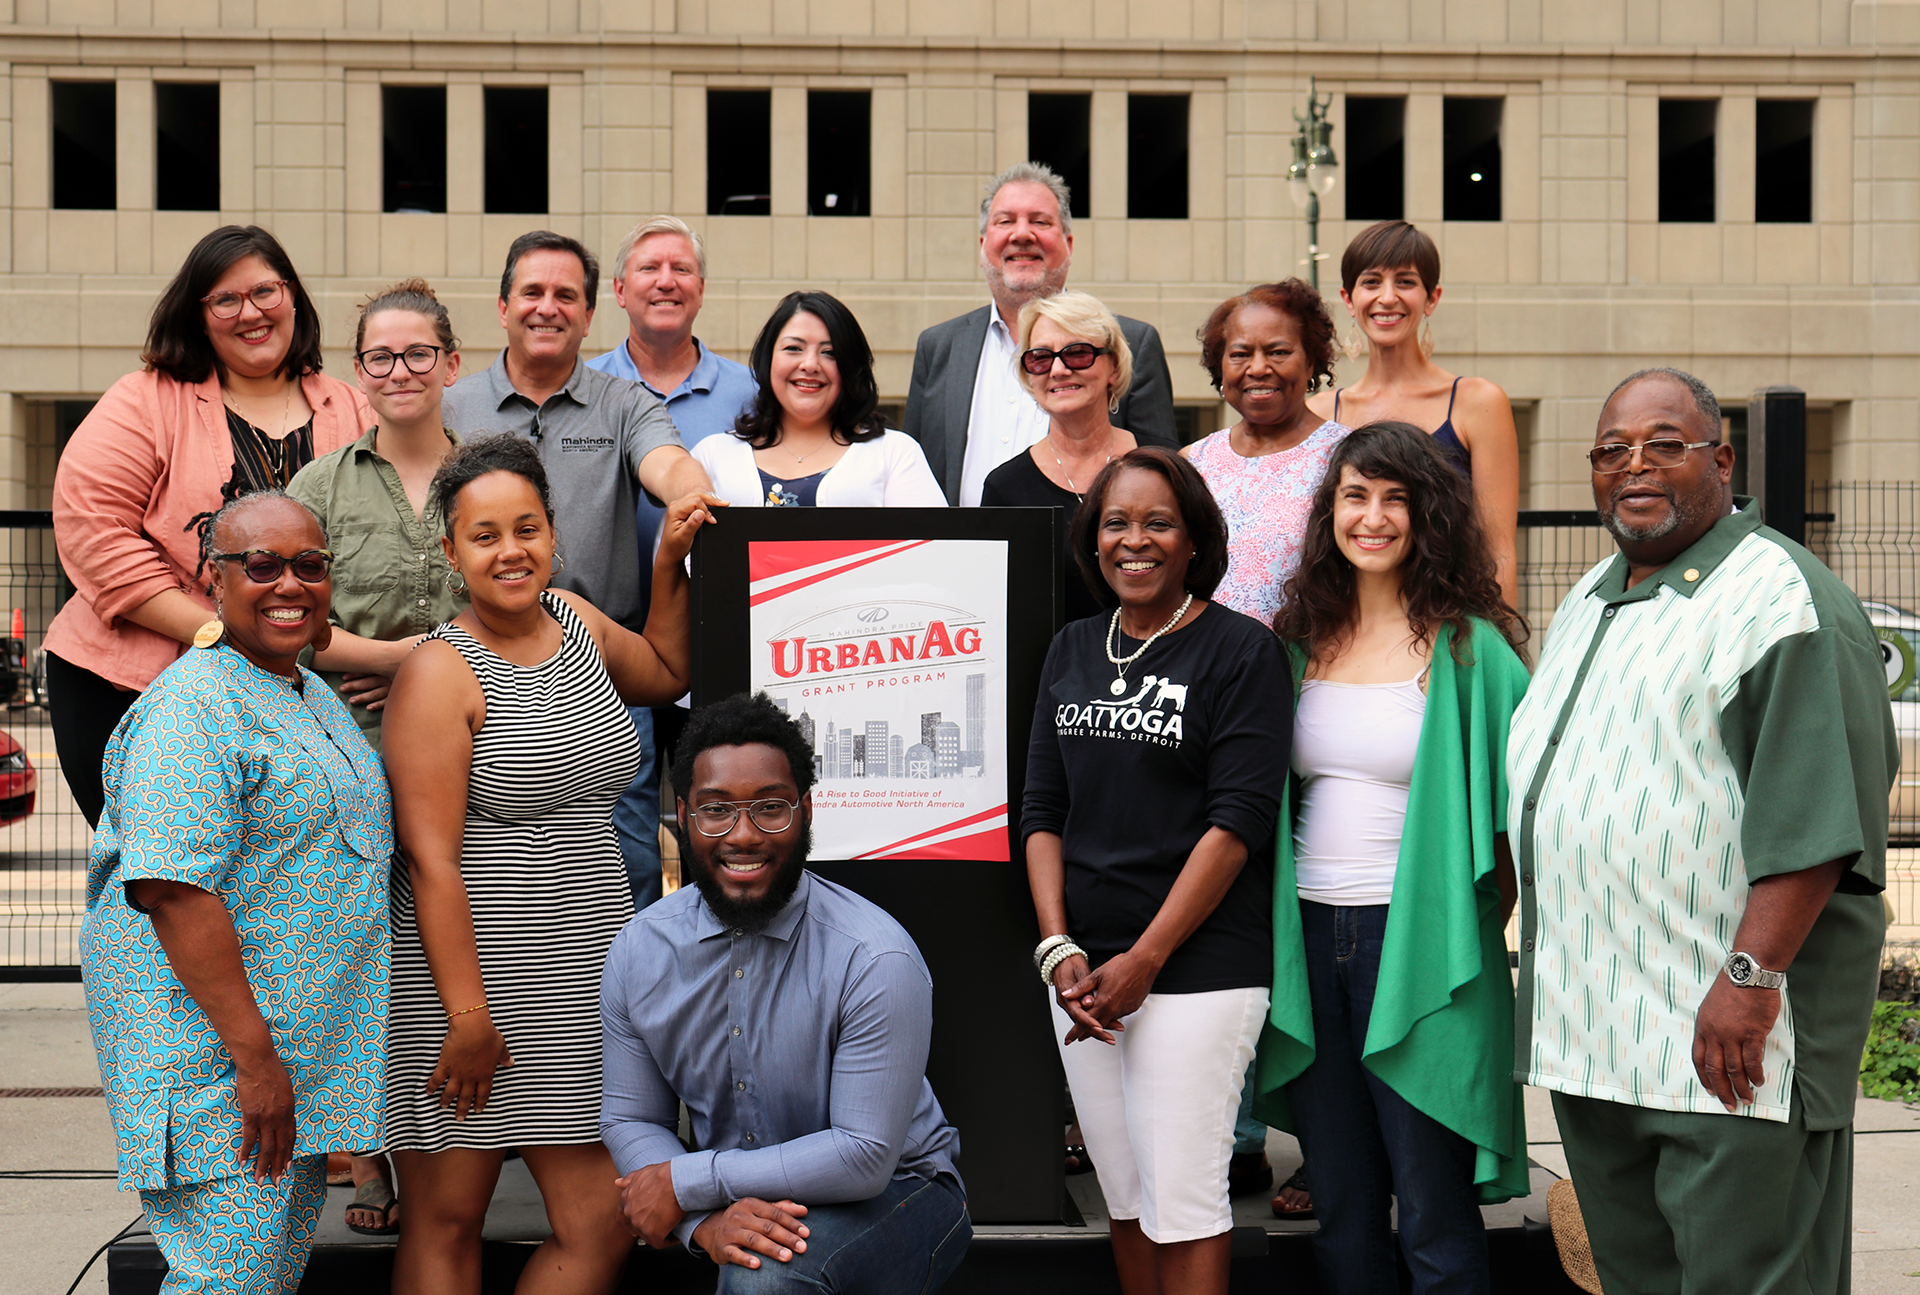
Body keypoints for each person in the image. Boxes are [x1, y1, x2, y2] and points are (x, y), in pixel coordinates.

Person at [1507, 368, 1896, 1295]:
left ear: (1720, 459)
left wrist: (1751, 981)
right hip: (1597, 1034)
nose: (1633, 465)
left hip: (1724, 1041)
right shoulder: (1594, 595)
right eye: (1612, 450)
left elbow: (1820, 821)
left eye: (1663, 444)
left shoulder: (1784, 601)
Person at [379, 435, 718, 1295]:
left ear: (553, 532)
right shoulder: (438, 672)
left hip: (584, 977)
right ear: (451, 551)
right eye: (484, 534)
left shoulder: (575, 620)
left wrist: (669, 562)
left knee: (606, 1221)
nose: (510, 550)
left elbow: (669, 668)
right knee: (448, 1220)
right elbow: (430, 859)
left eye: (526, 528)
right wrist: (465, 1015)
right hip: (470, 980)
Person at [81, 491, 391, 1295]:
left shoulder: (306, 689)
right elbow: (176, 893)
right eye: (261, 564)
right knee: (227, 1281)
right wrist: (257, 1065)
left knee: (264, 1278)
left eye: (309, 565)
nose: (289, 583)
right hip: (219, 1066)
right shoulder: (191, 709)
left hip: (289, 1063)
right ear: (213, 580)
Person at [1251, 423, 1530, 1294]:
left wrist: (1486, 926)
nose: (1371, 518)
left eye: (1394, 499)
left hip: (1423, 950)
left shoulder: (1473, 649)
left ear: (1427, 514)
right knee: (1341, 1202)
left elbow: (1524, 817)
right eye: (1354, 496)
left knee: (1434, 1205)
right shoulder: (1297, 640)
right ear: (1330, 511)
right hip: (1307, 931)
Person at [1024, 447, 1292, 1295]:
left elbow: (1236, 826)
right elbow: (1040, 811)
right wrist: (1058, 946)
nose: (1133, 539)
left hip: (1198, 971)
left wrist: (1144, 958)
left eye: (1157, 522)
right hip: (1083, 974)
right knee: (1127, 1198)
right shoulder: (1070, 647)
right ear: (1092, 540)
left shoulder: (1242, 651)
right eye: (1116, 522)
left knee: (1185, 1200)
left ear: (1193, 541)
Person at [602, 692, 972, 1292]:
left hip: (901, 1189)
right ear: (684, 812)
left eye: (770, 808)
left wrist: (687, 1184)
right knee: (751, 1260)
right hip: (736, 1194)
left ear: (805, 810)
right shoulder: (640, 951)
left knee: (763, 1277)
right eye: (715, 809)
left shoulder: (874, 955)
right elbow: (630, 1116)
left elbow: (863, 1156)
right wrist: (703, 1222)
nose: (743, 836)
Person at [46, 224, 371, 827]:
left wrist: (376, 656)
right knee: (163, 890)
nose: (251, 312)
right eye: (226, 299)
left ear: (293, 296)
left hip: (308, 691)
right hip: (130, 685)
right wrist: (227, 635)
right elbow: (94, 531)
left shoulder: (353, 409)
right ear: (198, 315)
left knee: (278, 882)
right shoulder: (145, 400)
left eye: (266, 292)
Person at [441, 230, 714, 912]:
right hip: (473, 666)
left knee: (624, 855)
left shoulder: (626, 404)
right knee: (477, 852)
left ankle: (629, 1008)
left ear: (591, 315)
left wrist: (688, 487)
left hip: (604, 668)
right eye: (532, 292)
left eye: (567, 295)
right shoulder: (451, 407)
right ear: (502, 305)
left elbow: (667, 462)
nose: (548, 307)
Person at [286, 277, 470, 1235]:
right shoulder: (319, 484)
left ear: (451, 361)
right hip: (348, 753)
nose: (399, 371)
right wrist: (407, 659)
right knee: (363, 956)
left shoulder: (485, 473)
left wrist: (428, 674)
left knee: (459, 946)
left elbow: (509, 599)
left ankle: (464, 1135)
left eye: (418, 353)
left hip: (467, 749)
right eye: (380, 356)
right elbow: (296, 620)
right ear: (357, 371)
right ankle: (371, 1154)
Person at [1181, 278, 1350, 1210]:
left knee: (1317, 933)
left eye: (1278, 348)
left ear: (1314, 355)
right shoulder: (1192, 463)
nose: (1258, 366)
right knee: (1225, 930)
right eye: (1240, 351)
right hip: (1207, 723)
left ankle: (1328, 1147)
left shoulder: (1345, 459)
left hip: (1317, 717)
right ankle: (1235, 1137)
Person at [586, 215, 759, 763]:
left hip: (716, 634)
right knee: (624, 815)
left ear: (701, 290)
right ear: (618, 290)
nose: (666, 281)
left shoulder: (751, 393)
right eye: (649, 268)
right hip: (603, 641)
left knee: (711, 800)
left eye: (682, 269)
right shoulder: (585, 389)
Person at [904, 162, 1177, 505]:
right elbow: (914, 476)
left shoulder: (1133, 342)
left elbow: (1163, 477)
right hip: (960, 557)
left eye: (1039, 221)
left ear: (1069, 244)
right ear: (983, 243)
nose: (1021, 234)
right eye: (1005, 221)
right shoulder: (938, 346)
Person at [1306, 221, 1519, 609]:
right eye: (1371, 282)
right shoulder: (1320, 411)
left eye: (1405, 282)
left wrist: (1499, 652)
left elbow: (1498, 548)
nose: (1387, 298)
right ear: (1349, 299)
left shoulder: (1478, 402)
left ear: (1432, 298)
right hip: (1347, 624)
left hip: (1450, 619)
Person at [693, 290, 945, 508]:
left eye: (829, 353)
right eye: (793, 348)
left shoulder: (895, 453)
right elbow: (682, 559)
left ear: (850, 367)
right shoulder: (713, 454)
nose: (810, 364)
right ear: (768, 359)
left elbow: (933, 555)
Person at [981, 291, 1138, 625]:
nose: (1058, 369)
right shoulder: (1004, 488)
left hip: (1157, 668)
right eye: (1040, 358)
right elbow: (994, 608)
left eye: (1078, 353)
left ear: (1113, 366)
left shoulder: (1160, 470)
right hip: (1050, 674)